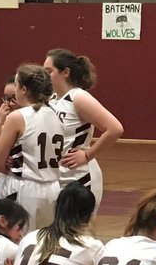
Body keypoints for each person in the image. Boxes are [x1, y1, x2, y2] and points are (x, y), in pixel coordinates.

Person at [45, 49, 123, 215]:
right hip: (57, 175)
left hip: (80, 176)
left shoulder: (78, 97)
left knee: (77, 227)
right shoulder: (52, 99)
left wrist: (87, 155)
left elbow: (114, 129)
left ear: (65, 72)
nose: (45, 76)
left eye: (49, 71)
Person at [0, 64, 65, 231]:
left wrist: (9, 162)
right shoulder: (57, 115)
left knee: (16, 240)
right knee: (44, 241)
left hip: (24, 187)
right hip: (53, 188)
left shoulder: (17, 117)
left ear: (24, 89)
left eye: (16, 85)